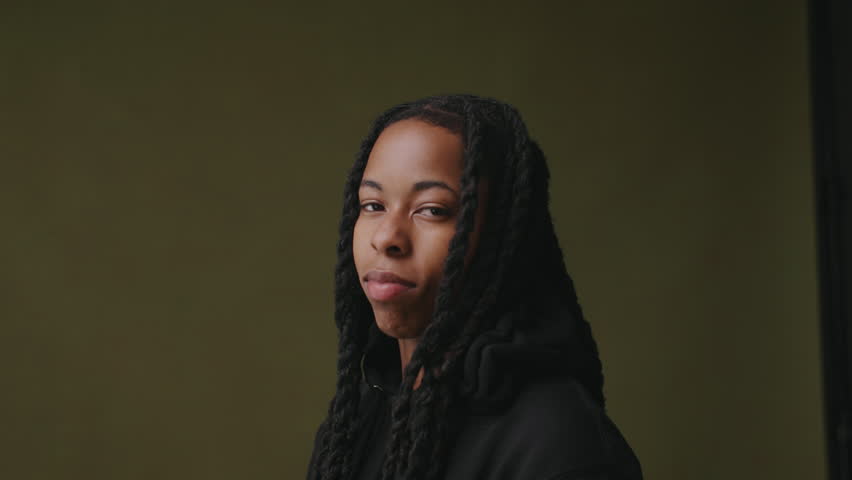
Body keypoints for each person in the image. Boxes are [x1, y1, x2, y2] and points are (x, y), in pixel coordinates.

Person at [306, 94, 642, 480]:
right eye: (373, 205)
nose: (386, 237)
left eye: (432, 210)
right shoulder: (352, 427)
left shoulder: (561, 443)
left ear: (501, 237)